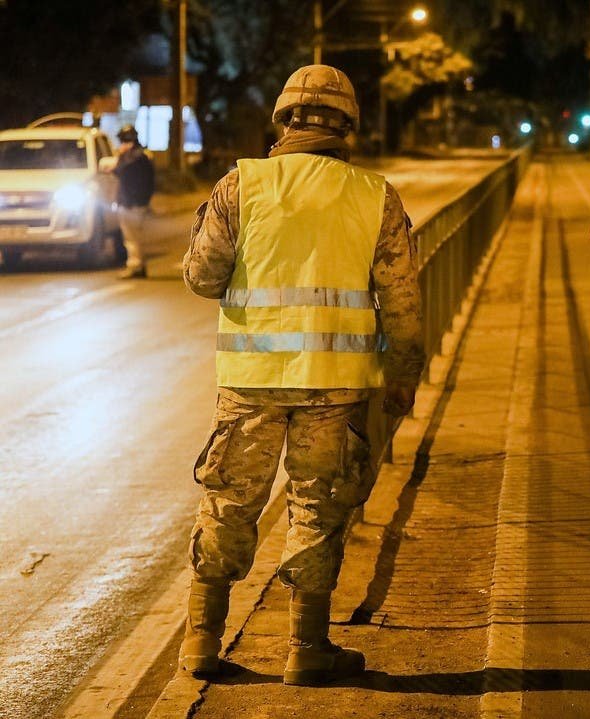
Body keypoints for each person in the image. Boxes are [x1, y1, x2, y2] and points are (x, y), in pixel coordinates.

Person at [178, 65, 424, 685]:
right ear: (348, 127)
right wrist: (401, 377)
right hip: (336, 386)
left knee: (230, 502)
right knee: (317, 507)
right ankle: (305, 649)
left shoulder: (241, 186)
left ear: (283, 120)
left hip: (251, 381)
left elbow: (203, 278)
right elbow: (402, 304)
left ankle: (200, 645)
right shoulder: (375, 195)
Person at [113, 125, 154, 279]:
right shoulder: (142, 156)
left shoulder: (133, 157)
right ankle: (140, 265)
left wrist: (121, 156)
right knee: (136, 236)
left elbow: (119, 170)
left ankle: (135, 266)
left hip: (131, 203)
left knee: (131, 237)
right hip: (137, 202)